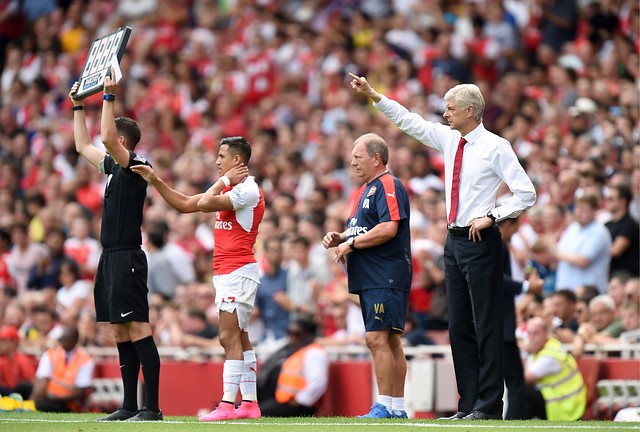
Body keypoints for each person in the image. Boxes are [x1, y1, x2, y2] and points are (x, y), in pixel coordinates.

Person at [349, 74, 536, 420]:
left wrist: (493, 216)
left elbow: (527, 193)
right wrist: (375, 96)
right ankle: (468, 405)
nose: (444, 114)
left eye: (450, 108)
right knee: (459, 327)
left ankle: (490, 406)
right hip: (453, 242)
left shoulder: (497, 147)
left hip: (481, 240)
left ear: (469, 110)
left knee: (487, 324)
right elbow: (410, 122)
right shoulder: (451, 140)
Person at [131, 136, 265, 421]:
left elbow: (204, 203)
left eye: (221, 156)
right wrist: (155, 180)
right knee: (239, 337)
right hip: (229, 272)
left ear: (237, 160)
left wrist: (224, 181)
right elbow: (183, 203)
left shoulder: (249, 190)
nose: (217, 161)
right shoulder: (236, 189)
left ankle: (228, 405)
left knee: (227, 337)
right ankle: (250, 403)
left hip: (237, 271)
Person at [69, 76, 163, 421]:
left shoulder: (137, 166)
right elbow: (82, 146)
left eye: (110, 136)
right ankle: (128, 405)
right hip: (109, 258)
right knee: (119, 330)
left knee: (138, 328)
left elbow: (105, 137)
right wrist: (78, 104)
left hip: (127, 257)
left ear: (122, 141)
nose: (103, 138)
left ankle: (151, 407)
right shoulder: (111, 167)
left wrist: (108, 94)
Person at [322, 133, 411, 419]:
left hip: (384, 274)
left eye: (358, 156)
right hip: (373, 275)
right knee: (390, 340)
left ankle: (384, 405)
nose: (352, 162)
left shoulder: (387, 185)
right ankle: (396, 408)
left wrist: (352, 243)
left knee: (375, 339)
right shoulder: (365, 190)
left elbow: (388, 228)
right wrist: (342, 236)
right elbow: (362, 227)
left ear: (376, 158)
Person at [257, 317, 329, 417]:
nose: (292, 338)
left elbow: (317, 382)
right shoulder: (296, 351)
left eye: (297, 334)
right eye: (290, 333)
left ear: (309, 334)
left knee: (257, 413)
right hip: (283, 401)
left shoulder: (314, 352)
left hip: (299, 406)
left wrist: (300, 400)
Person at [523, 317, 587, 420]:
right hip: (556, 401)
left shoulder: (550, 354)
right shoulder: (541, 348)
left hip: (566, 407)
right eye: (529, 333)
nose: (532, 337)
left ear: (546, 332)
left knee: (522, 391)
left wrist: (526, 353)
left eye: (536, 333)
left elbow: (525, 379)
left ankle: (510, 424)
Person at [30, 326, 95, 413]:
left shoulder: (85, 359)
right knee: (24, 388)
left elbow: (79, 392)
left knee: (42, 405)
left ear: (75, 340)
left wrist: (53, 397)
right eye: (62, 338)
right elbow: (41, 382)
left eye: (66, 338)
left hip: (69, 403)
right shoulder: (50, 354)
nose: (63, 341)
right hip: (48, 396)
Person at [605, 184, 639, 277]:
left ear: (623, 201)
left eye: (611, 199)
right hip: (611, 275)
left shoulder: (629, 224)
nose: (607, 202)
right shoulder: (607, 224)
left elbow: (616, 250)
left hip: (626, 277)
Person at [0, 325, 36, 399]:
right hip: (10, 393)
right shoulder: (3, 360)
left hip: (23, 395)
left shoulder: (22, 361)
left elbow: (33, 385)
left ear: (13, 342)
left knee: (22, 386)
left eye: (2, 341)